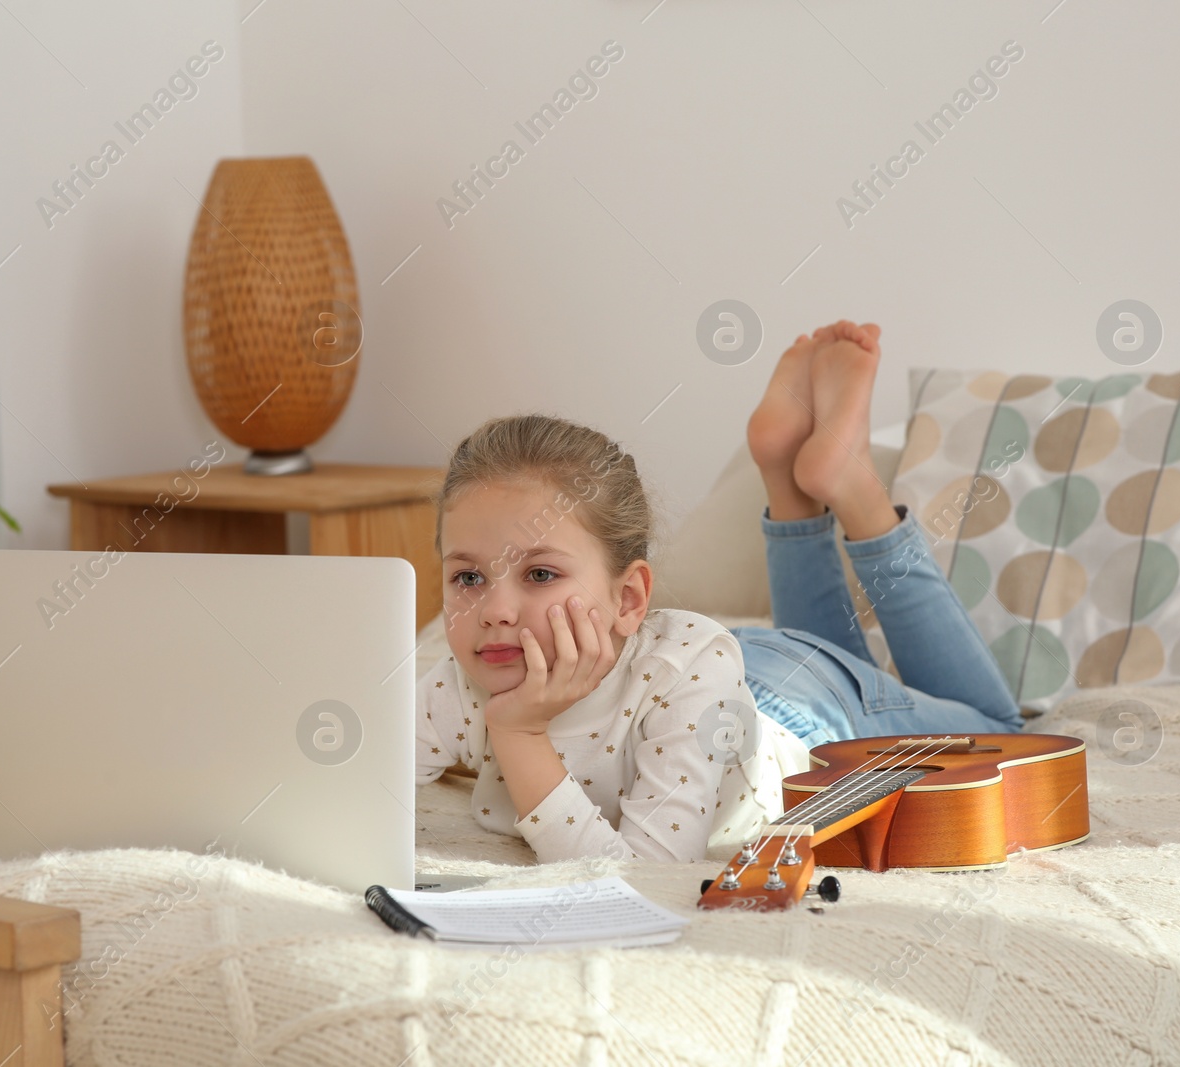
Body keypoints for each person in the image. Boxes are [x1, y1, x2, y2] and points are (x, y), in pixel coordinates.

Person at [415, 320, 1023, 865]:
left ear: (628, 600)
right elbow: (348, 781)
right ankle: (792, 481)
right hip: (725, 679)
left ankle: (855, 490)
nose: (493, 611)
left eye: (540, 575)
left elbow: (645, 877)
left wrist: (519, 736)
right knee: (819, 649)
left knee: (1004, 731)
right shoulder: (457, 680)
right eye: (468, 577)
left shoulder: (671, 673)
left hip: (800, 708)